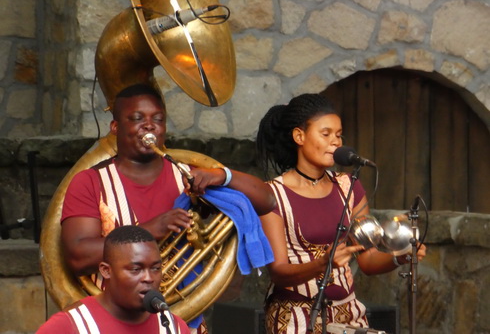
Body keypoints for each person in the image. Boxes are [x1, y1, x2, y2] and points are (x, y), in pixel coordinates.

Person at [60, 83, 276, 334]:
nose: (149, 125)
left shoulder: (187, 175)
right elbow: (78, 256)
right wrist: (151, 230)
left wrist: (222, 175)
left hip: (184, 322)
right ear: (115, 127)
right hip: (114, 324)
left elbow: (267, 201)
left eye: (158, 119)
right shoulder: (89, 182)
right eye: (137, 118)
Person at [255, 93, 427, 334]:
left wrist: (401, 256)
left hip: (348, 315)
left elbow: (367, 259)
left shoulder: (349, 187)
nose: (335, 142)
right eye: (325, 134)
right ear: (299, 136)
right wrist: (323, 263)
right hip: (295, 318)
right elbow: (279, 272)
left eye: (338, 135)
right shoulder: (272, 194)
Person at [37, 225, 191, 333]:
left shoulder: (173, 327)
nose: (148, 278)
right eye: (136, 269)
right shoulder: (69, 326)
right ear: (106, 271)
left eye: (155, 268)